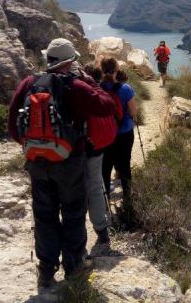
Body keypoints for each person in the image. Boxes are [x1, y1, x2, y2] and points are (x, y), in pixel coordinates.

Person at [8, 39, 116, 288]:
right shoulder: (75, 86)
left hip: (36, 161)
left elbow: (14, 126)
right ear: (71, 61)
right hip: (69, 161)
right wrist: (89, 80)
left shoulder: (29, 83)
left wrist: (34, 147)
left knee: (44, 214)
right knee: (73, 213)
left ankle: (46, 270)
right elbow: (106, 106)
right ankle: (74, 266)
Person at [78, 63, 112, 248]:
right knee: (95, 186)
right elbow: (109, 107)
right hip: (94, 146)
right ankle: (101, 229)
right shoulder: (91, 89)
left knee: (73, 190)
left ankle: (75, 235)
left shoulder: (64, 86)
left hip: (66, 148)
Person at [100, 58, 138, 202]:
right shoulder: (125, 89)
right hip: (124, 133)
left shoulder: (97, 88)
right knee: (125, 163)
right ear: (116, 70)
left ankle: (105, 199)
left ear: (103, 70)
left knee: (106, 166)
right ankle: (127, 198)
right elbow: (134, 111)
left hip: (104, 135)